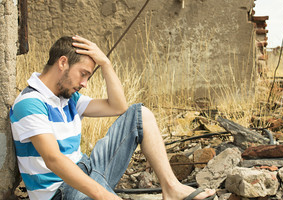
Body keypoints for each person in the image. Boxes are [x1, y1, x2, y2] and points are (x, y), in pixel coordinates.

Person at [10, 35, 216, 200]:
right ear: (62, 62)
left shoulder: (67, 98)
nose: (85, 83)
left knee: (140, 114)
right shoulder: (30, 103)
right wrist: (106, 195)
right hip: (62, 191)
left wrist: (106, 63)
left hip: (88, 170)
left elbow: (118, 106)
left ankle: (171, 188)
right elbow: (53, 160)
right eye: (83, 74)